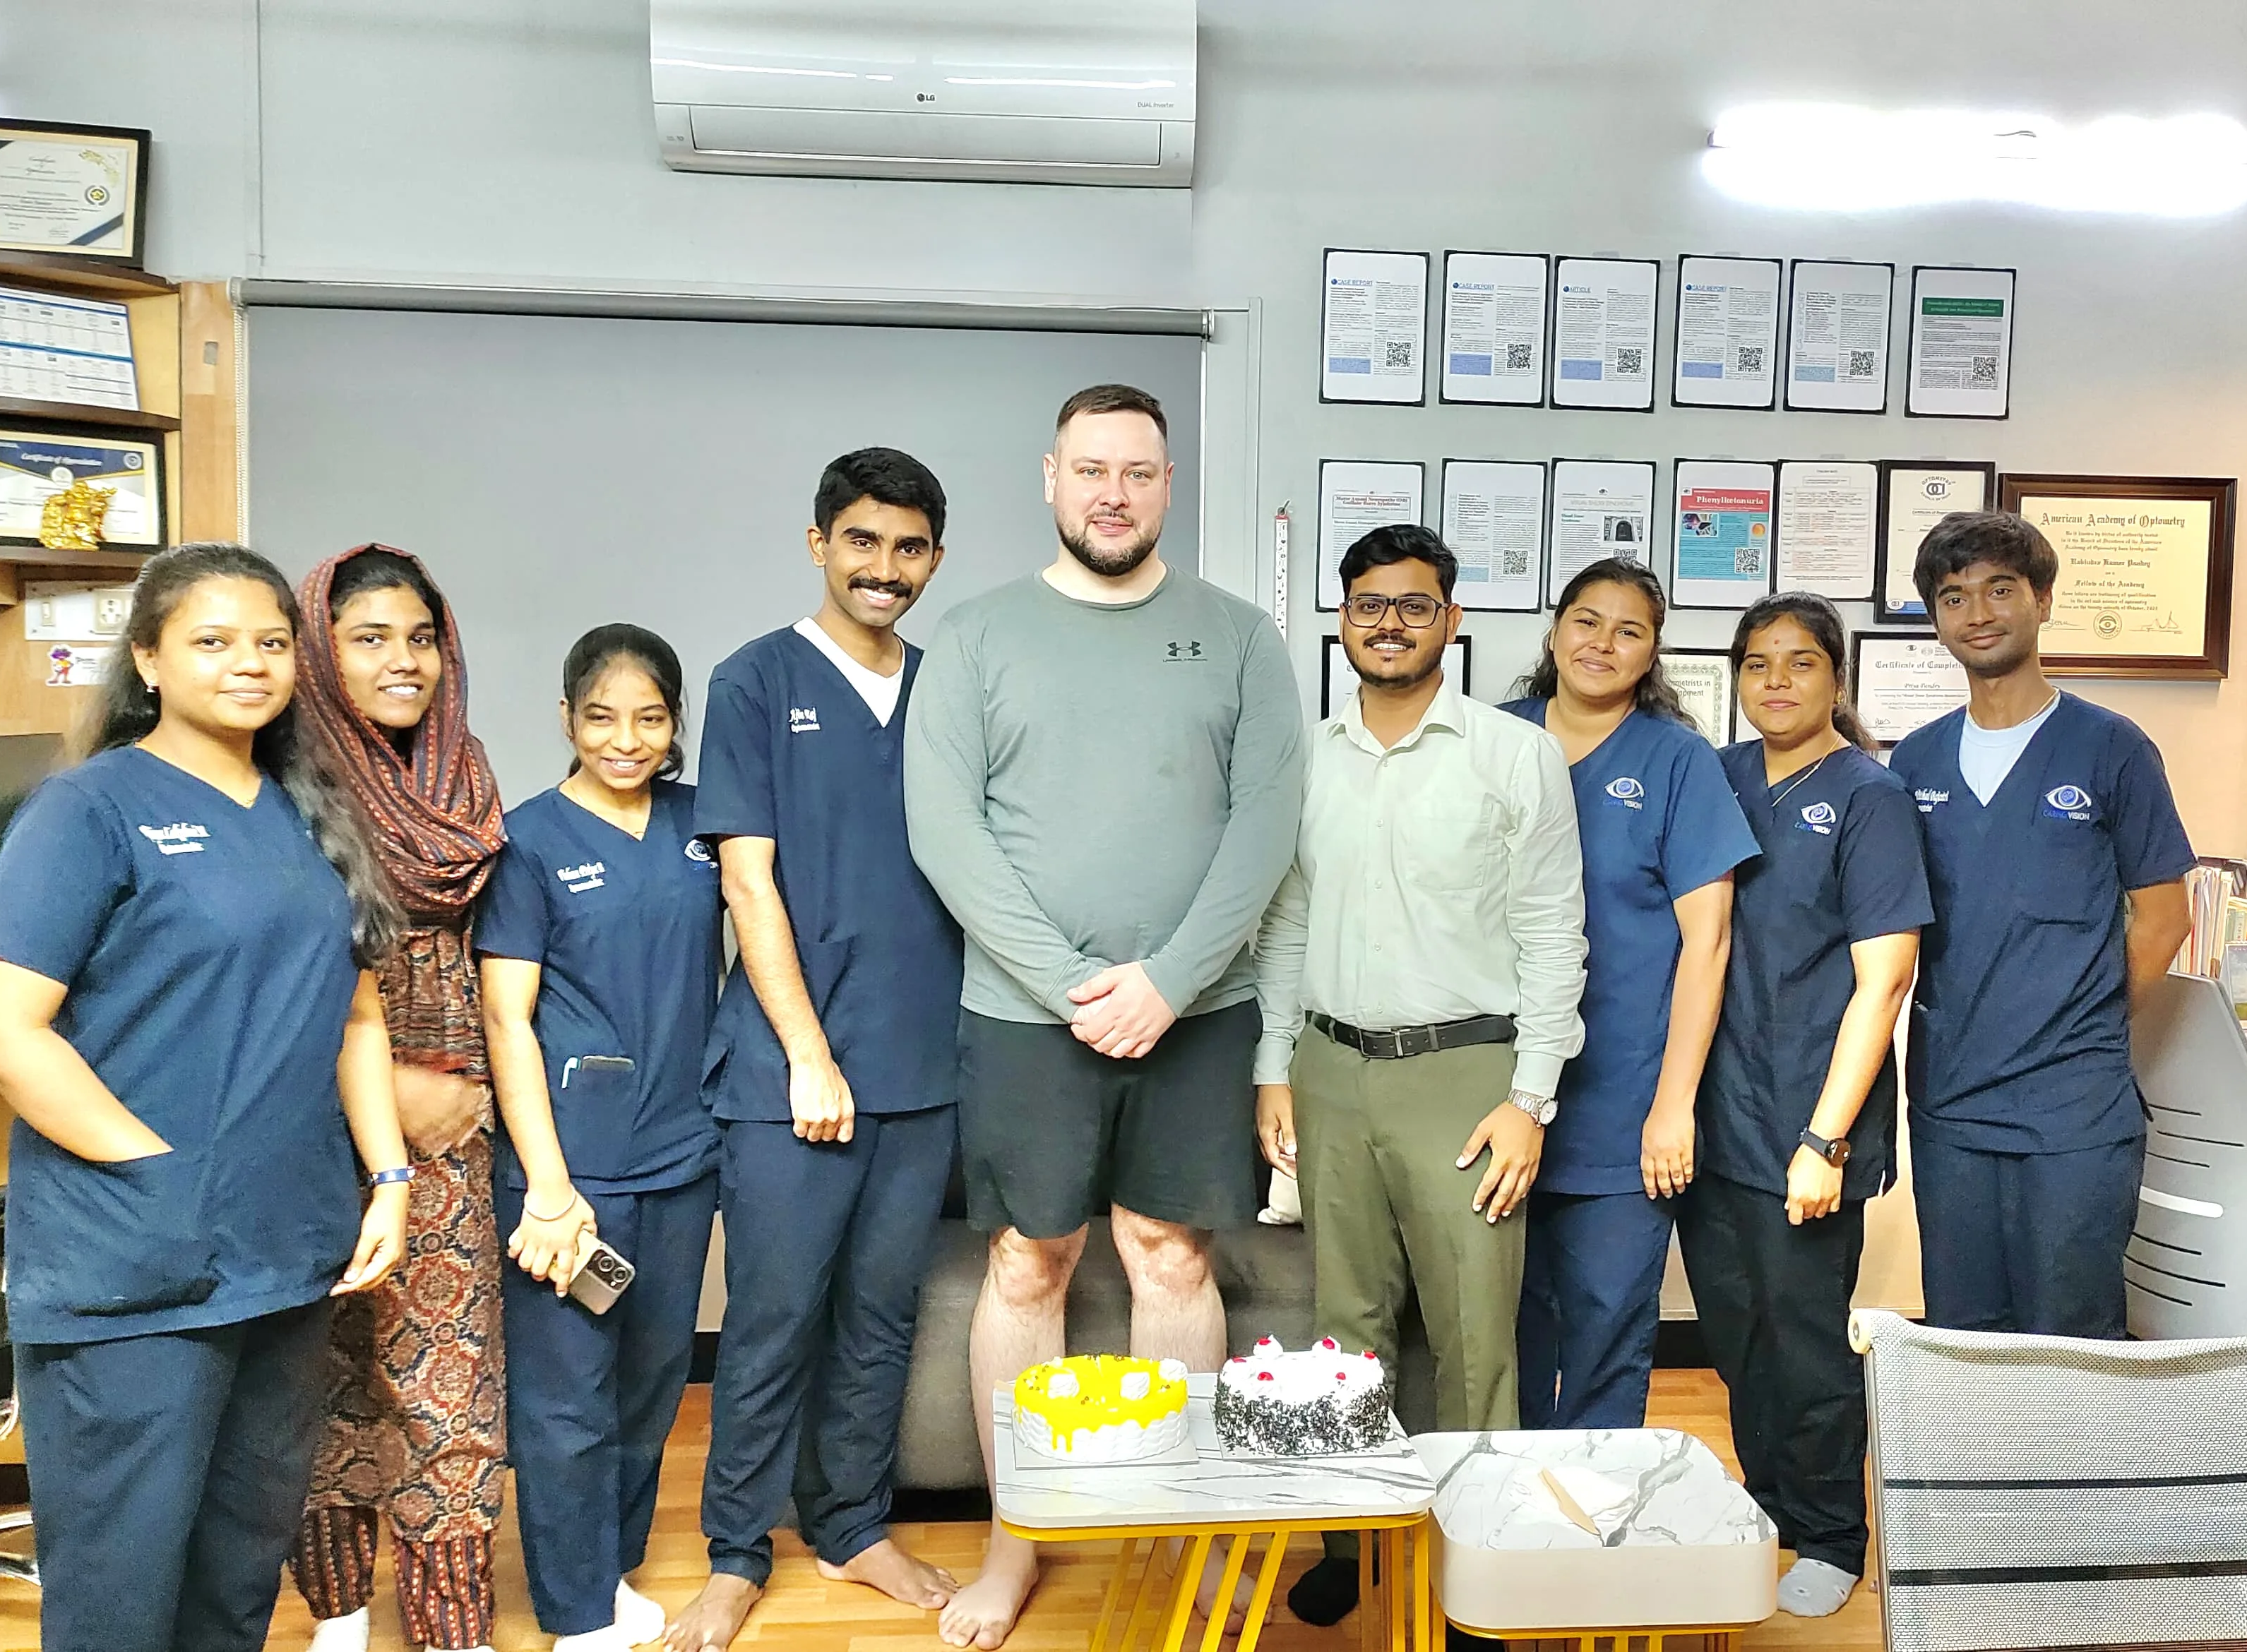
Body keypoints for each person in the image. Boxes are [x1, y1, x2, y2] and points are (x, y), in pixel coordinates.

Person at [0, 542, 412, 1652]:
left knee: (239, 1564)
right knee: (122, 1581)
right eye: (212, 641)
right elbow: (0, 1027)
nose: (248, 664)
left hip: (284, 1254)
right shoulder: (88, 812)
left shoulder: (307, 809)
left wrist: (390, 1174)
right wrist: (154, 1171)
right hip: (135, 1266)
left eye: (269, 643)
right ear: (150, 659)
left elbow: (352, 1014)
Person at [904, 385, 1304, 1649]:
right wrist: (1071, 983)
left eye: (1138, 471)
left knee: (1170, 1255)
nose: (1113, 492)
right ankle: (1018, 1542)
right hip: (1027, 1017)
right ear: (1051, 478)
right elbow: (946, 832)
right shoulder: (975, 638)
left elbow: (1267, 829)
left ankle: (1175, 1525)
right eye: (1091, 469)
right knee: (1029, 1260)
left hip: (1200, 1008)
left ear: (1168, 487)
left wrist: (1170, 981)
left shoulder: (1242, 638)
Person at [1255, 524, 1586, 1627]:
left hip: (1468, 1077)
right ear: (1340, 620)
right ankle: (1352, 1537)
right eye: (1367, 606)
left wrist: (1530, 1098)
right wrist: (1274, 1069)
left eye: (1413, 605)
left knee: (1474, 1338)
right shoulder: (1304, 757)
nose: (1388, 623)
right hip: (1331, 1068)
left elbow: (1553, 934)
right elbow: (1286, 923)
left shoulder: (1513, 753)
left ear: (1452, 622)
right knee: (1346, 1325)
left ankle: (1481, 1565)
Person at [669, 450, 967, 1652]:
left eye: (907, 549)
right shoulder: (756, 682)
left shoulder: (949, 691)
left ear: (934, 561)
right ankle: (737, 1551)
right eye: (861, 542)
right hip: (793, 1072)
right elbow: (746, 877)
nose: (883, 569)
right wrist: (806, 1055)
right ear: (818, 545)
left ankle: (850, 1523)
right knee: (775, 1318)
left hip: (924, 1067)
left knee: (881, 1317)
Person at [1675, 591, 1931, 1620]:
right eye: (1756, 664)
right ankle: (1771, 1502)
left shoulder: (1868, 796)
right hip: (1715, 1108)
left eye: (1800, 663)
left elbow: (1886, 979)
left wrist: (1824, 1139)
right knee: (1737, 1334)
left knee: (1807, 1340)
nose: (1776, 682)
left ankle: (1833, 1535)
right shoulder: (1722, 776)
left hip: (1808, 1120)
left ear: (1837, 677)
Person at [1889, 512, 2193, 1339]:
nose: (1977, 612)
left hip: (2074, 1107)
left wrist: (2079, 1013)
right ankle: (1975, 1477)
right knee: (1963, 1332)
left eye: (1998, 588)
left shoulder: (2110, 748)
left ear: (2041, 599)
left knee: (2070, 1331)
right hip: (1950, 1100)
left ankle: (2078, 1476)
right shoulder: (1911, 762)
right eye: (1952, 597)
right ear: (1935, 619)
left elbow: (2164, 920)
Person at [478, 626, 722, 1652]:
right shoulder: (527, 841)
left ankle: (609, 1570)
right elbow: (504, 1020)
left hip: (681, 1153)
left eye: (650, 717)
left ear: (675, 724)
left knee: (651, 1379)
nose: (626, 739)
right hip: (570, 1169)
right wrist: (547, 1185)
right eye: (601, 716)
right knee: (569, 1393)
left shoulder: (705, 825)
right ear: (568, 718)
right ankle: (577, 1617)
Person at [290, 545, 513, 1652]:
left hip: (454, 1121)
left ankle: (447, 1635)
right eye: (370, 638)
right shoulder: (279, 780)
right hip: (309, 1117)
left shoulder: (460, 771)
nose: (404, 661)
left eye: (421, 638)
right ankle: (337, 1620)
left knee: (449, 1394)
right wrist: (388, 1088)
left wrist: (458, 1092)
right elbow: (277, 969)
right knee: (321, 1383)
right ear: (321, 651)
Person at [1498, 561, 1756, 1435]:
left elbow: (1707, 941)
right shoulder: (1492, 740)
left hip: (1619, 1103)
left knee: (1606, 1328)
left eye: (1628, 630)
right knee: (1501, 1333)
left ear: (1651, 654)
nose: (1601, 644)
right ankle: (1503, 1529)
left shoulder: (1676, 761)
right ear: (1553, 630)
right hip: (1491, 1096)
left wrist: (1672, 1107)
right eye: (1585, 620)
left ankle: (1589, 1536)